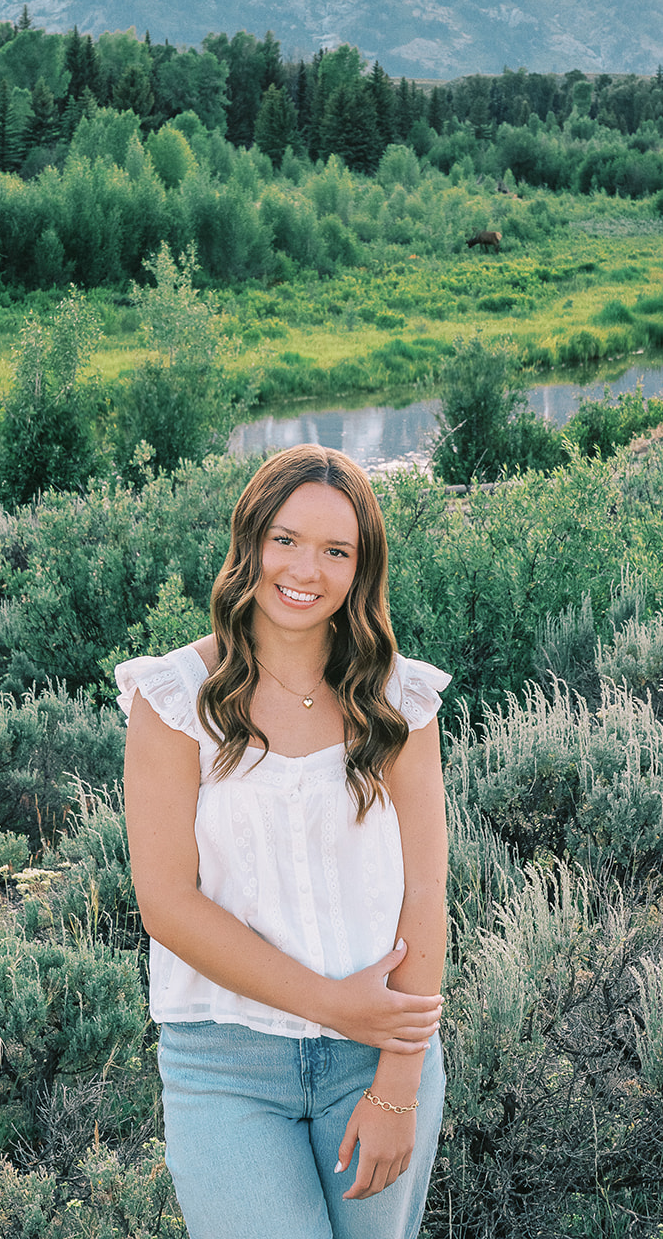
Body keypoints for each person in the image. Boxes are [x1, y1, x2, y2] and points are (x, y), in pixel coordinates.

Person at [119, 443, 450, 1239]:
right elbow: (166, 905)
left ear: (359, 569)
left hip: (377, 1061)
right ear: (251, 543)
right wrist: (335, 1005)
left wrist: (398, 1082)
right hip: (224, 1067)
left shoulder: (400, 701)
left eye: (336, 550)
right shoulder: (172, 701)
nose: (306, 569)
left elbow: (426, 893)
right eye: (286, 540)